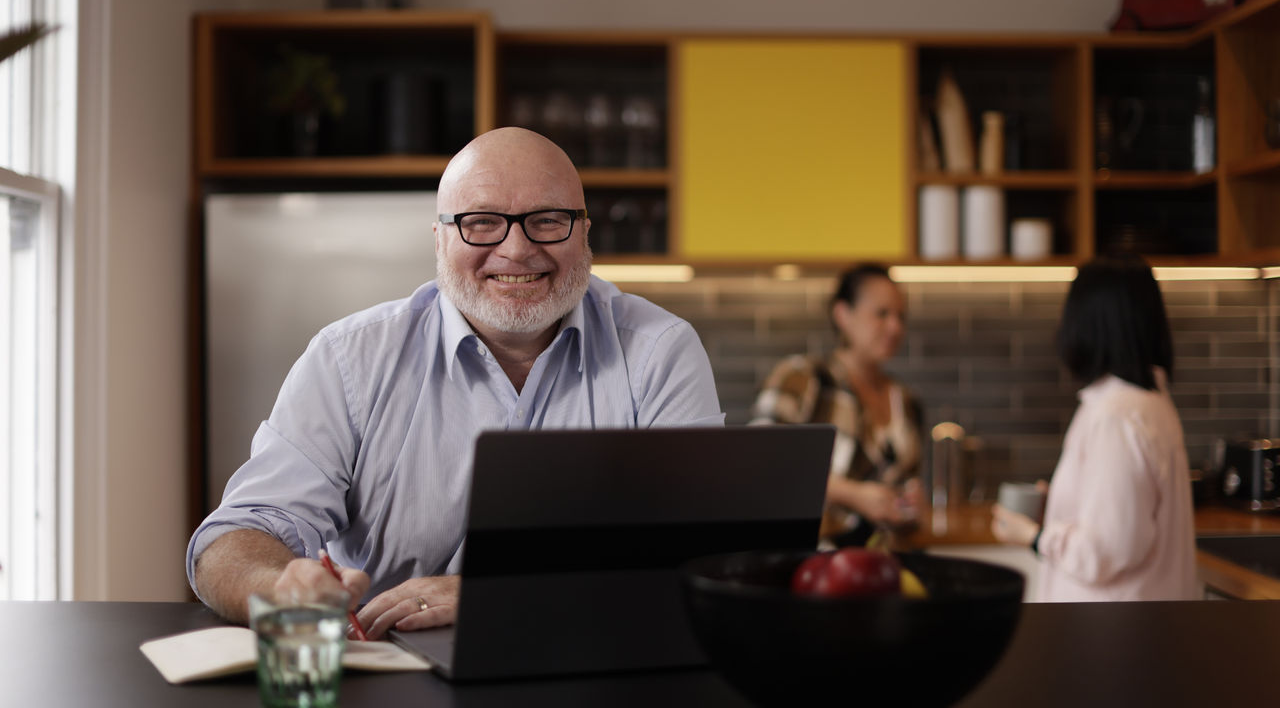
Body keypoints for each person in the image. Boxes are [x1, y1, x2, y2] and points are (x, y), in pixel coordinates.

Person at [187, 127, 724, 638]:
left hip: (595, 671)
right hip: (387, 675)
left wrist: (498, 597)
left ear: (584, 232)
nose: (516, 249)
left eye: (548, 219)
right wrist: (282, 589)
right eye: (482, 221)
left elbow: (704, 561)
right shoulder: (348, 359)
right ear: (440, 238)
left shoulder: (659, 352)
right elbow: (233, 538)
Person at [991, 254, 1197, 601]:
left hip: (1107, 635)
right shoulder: (1149, 404)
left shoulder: (1116, 416)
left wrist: (1034, 536)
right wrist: (1060, 503)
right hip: (1144, 628)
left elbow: (1106, 551)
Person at [750, 263, 922, 546]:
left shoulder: (906, 400)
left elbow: (906, 491)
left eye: (901, 316)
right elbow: (760, 461)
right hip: (811, 558)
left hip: (884, 564)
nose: (895, 327)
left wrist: (913, 506)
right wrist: (852, 494)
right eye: (882, 314)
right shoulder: (802, 378)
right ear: (843, 314)